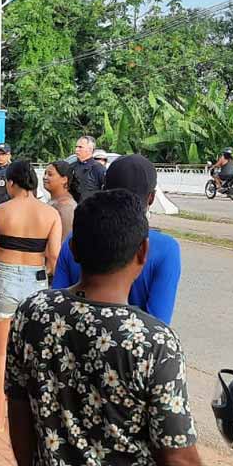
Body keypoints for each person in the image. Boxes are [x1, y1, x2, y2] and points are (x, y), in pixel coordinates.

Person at [7, 189, 209, 466]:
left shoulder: (33, 313)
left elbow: (19, 410)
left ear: (72, 249)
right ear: (143, 252)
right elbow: (177, 459)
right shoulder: (154, 342)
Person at [0, 160, 61, 434]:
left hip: (4, 277)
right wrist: (43, 272)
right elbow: (54, 256)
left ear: (11, 183)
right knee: (32, 352)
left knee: (1, 351)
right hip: (35, 280)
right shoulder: (50, 214)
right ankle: (33, 417)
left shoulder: (1, 211)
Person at [52, 154, 182, 324]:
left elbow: (57, 304)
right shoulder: (166, 249)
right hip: (132, 347)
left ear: (103, 189)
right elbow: (159, 322)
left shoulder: (76, 238)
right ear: (151, 197)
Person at [43, 160, 77, 237]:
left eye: (50, 174)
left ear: (64, 179)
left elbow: (65, 240)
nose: (45, 177)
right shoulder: (54, 201)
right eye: (45, 173)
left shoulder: (66, 206)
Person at [70, 135, 105, 202]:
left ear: (90, 149)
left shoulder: (98, 168)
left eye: (80, 147)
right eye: (76, 147)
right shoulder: (71, 167)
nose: (76, 149)